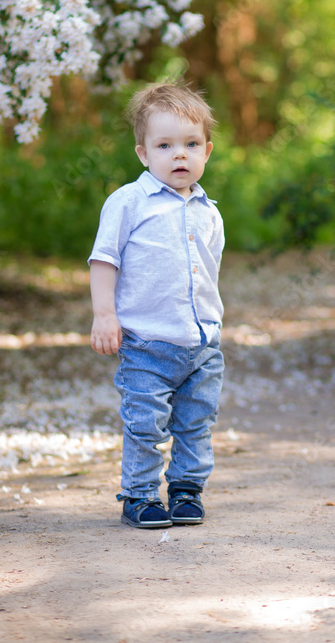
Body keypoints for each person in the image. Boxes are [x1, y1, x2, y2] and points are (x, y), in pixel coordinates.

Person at [88, 81, 225, 529]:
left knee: (195, 422)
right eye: (165, 145)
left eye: (189, 145)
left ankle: (187, 490)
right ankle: (141, 496)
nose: (178, 155)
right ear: (143, 153)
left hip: (201, 342)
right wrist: (105, 315)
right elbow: (104, 259)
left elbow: (208, 271)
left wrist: (212, 321)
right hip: (147, 342)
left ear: (206, 150)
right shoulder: (128, 202)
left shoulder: (209, 212)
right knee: (145, 423)